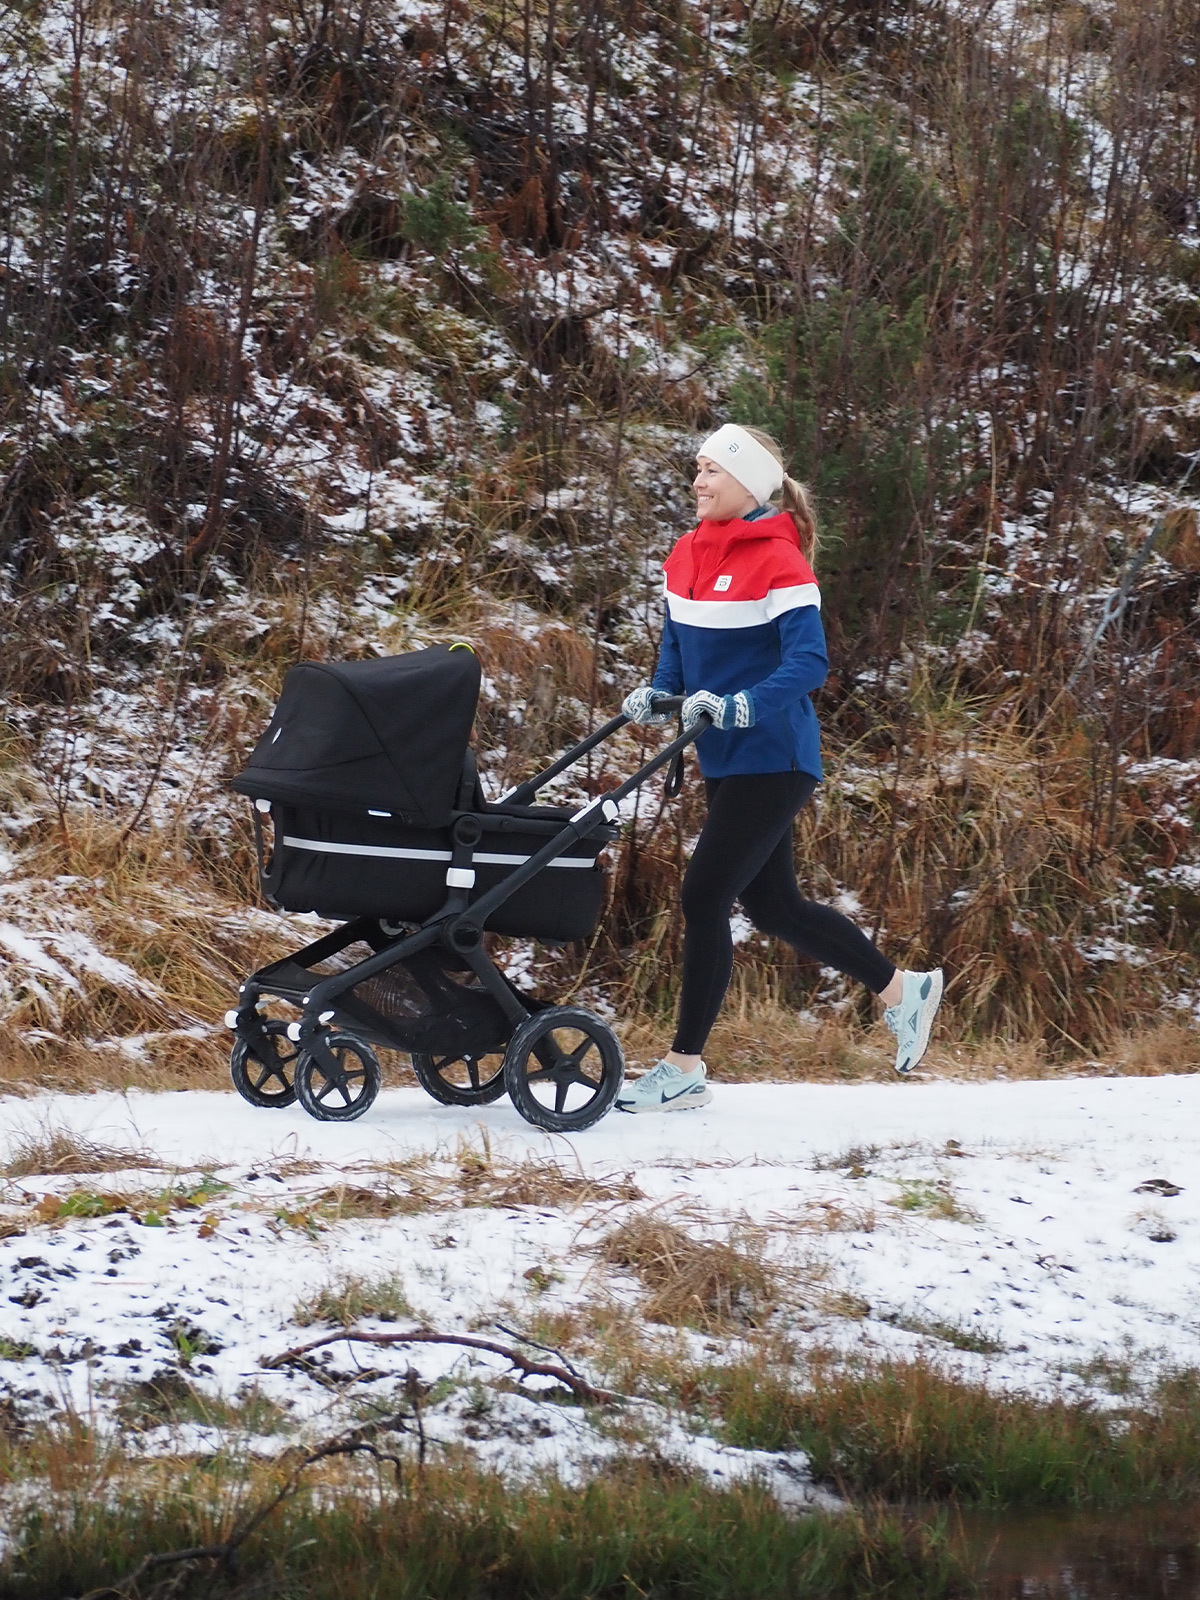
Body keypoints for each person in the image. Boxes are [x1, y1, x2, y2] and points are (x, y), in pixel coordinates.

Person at [615, 423, 943, 1114]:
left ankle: (683, 1067)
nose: (699, 482)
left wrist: (741, 707)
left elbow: (808, 663)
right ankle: (902, 991)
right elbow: (679, 651)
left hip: (775, 755)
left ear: (750, 483)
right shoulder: (683, 556)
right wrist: (658, 692)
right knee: (773, 905)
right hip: (726, 759)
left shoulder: (780, 560)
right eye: (696, 469)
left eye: (712, 470)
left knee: (705, 897)